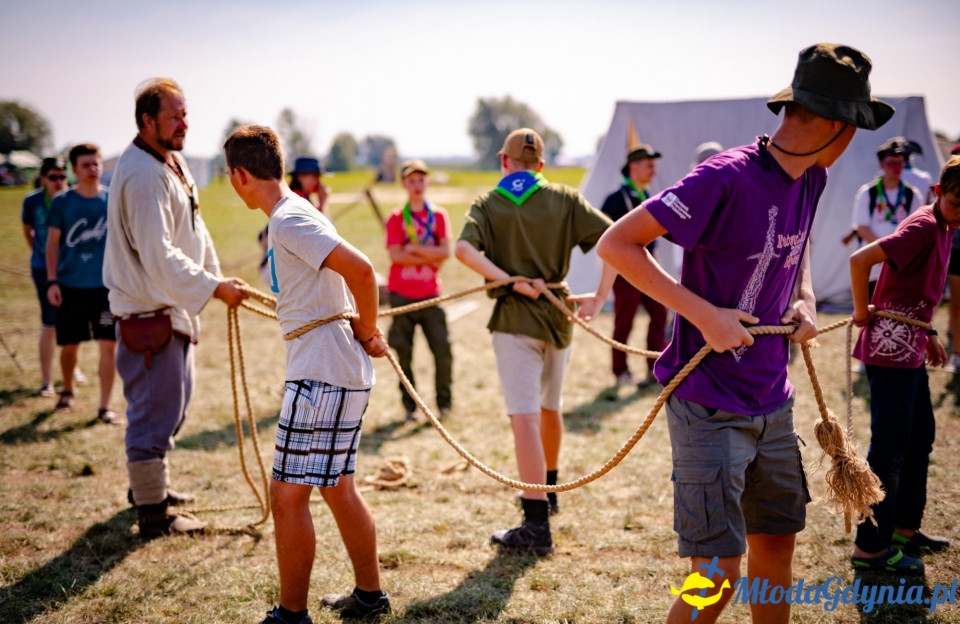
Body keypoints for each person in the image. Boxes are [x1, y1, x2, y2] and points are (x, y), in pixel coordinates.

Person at [596, 44, 892, 624]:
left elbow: (798, 245)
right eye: (856, 126)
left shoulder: (812, 178)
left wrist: (803, 298)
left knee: (777, 546)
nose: (856, 140)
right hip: (708, 404)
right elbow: (617, 243)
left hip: (772, 403)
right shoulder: (724, 177)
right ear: (836, 124)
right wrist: (705, 313)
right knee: (717, 573)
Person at [223, 124, 391, 624]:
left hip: (322, 373)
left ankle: (291, 615)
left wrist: (366, 329)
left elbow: (362, 271)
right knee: (337, 485)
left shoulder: (289, 219)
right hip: (333, 368)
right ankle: (369, 597)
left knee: (286, 494)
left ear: (239, 176)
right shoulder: (295, 213)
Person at [455, 128, 614, 555]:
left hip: (515, 318)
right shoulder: (565, 197)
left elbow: (463, 251)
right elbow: (616, 238)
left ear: (503, 161)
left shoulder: (488, 203)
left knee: (523, 417)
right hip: (558, 315)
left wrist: (506, 279)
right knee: (550, 408)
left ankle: (535, 521)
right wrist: (600, 297)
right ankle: (550, 489)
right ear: (540, 165)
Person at [103, 78, 248, 539]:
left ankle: (149, 487)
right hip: (149, 315)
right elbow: (159, 255)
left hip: (171, 309)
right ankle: (152, 514)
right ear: (147, 122)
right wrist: (213, 287)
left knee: (173, 407)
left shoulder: (172, 162)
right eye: (174, 116)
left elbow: (196, 230)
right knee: (152, 417)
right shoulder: (144, 177)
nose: (184, 123)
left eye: (185, 114)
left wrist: (216, 278)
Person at [848, 155, 960, 575]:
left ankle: (903, 531)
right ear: (937, 193)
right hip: (889, 348)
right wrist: (861, 310)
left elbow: (914, 288)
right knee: (891, 449)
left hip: (911, 342)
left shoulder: (946, 226)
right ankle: (870, 549)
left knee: (920, 438)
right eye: (956, 202)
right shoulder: (924, 225)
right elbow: (861, 260)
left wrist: (927, 332)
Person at [44, 144, 119, 424]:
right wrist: (52, 281)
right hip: (70, 286)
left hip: (105, 289)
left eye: (96, 164)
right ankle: (67, 390)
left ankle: (105, 406)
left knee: (108, 345)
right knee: (71, 345)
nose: (92, 169)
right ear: (74, 169)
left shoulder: (112, 200)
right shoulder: (63, 202)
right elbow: (52, 244)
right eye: (86, 165)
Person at [385, 159, 453, 421]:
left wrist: (412, 249)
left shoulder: (438, 216)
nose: (416, 185)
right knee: (403, 352)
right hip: (401, 295)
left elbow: (445, 252)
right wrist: (429, 255)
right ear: (404, 184)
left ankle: (444, 405)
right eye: (411, 180)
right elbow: (395, 256)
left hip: (431, 295)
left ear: (428, 182)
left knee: (443, 350)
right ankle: (410, 407)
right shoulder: (396, 218)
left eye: (421, 180)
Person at [599, 145, 668, 387]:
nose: (654, 170)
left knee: (660, 314)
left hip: (648, 270)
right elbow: (604, 239)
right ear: (634, 167)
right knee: (624, 321)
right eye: (649, 165)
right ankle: (620, 372)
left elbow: (653, 241)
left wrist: (659, 270)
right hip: (624, 272)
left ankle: (656, 368)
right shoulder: (615, 199)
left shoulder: (648, 196)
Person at [851, 138, 923, 296]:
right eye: (891, 163)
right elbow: (862, 228)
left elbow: (916, 230)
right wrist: (886, 253)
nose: (895, 168)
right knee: (870, 312)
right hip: (873, 266)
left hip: (901, 265)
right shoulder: (868, 192)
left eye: (899, 163)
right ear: (881, 165)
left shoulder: (912, 194)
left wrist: (897, 254)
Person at [21, 156, 68, 397]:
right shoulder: (32, 201)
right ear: (42, 178)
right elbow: (27, 230)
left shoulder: (72, 198)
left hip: (70, 270)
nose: (59, 181)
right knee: (49, 324)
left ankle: (73, 369)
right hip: (42, 269)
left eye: (62, 175)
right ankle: (47, 381)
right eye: (53, 176)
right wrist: (39, 253)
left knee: (70, 324)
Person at [258, 156, 330, 286]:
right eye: (315, 176)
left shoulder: (299, 198)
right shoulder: (297, 200)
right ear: (300, 177)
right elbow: (324, 234)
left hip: (279, 267)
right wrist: (324, 202)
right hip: (276, 269)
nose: (318, 181)